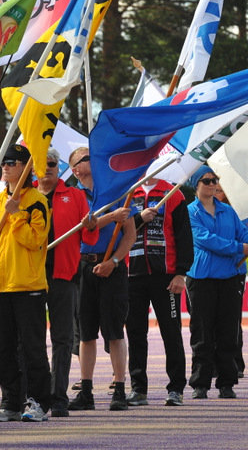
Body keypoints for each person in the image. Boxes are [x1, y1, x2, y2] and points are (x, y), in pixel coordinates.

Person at [186, 166, 248, 399]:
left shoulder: (228, 211)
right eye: (207, 180)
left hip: (229, 278)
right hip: (200, 279)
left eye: (215, 180)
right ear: (196, 185)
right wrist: (238, 248)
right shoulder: (190, 212)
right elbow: (205, 240)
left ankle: (227, 383)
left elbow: (243, 235)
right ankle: (200, 383)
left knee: (228, 332)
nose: (213, 184)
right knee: (202, 333)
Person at [0, 144, 52, 423]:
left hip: (28, 286)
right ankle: (10, 402)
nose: (6, 166)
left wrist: (15, 214)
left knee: (33, 348)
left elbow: (35, 241)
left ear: (26, 168)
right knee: (3, 348)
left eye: (13, 162)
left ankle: (38, 403)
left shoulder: (38, 200)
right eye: (4, 162)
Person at [66, 146, 135, 412]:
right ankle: (86, 390)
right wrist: (110, 217)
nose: (92, 159)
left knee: (115, 331)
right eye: (85, 158)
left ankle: (119, 388)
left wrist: (114, 261)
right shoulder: (72, 196)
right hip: (83, 268)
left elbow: (129, 233)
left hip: (112, 268)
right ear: (75, 169)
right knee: (86, 334)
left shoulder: (116, 192)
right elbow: (83, 228)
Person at [125, 176, 192, 407]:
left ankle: (176, 389)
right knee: (135, 333)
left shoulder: (173, 193)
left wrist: (181, 273)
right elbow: (116, 228)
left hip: (166, 275)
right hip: (132, 274)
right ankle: (138, 389)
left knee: (171, 332)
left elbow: (184, 235)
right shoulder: (127, 193)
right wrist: (138, 218)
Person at [35, 148, 90, 416]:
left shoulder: (75, 195)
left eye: (52, 163)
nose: (47, 167)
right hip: (30, 277)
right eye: (41, 163)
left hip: (63, 275)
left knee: (63, 339)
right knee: (31, 339)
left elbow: (89, 239)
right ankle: (34, 395)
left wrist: (92, 225)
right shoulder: (23, 196)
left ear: (60, 168)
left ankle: (58, 398)